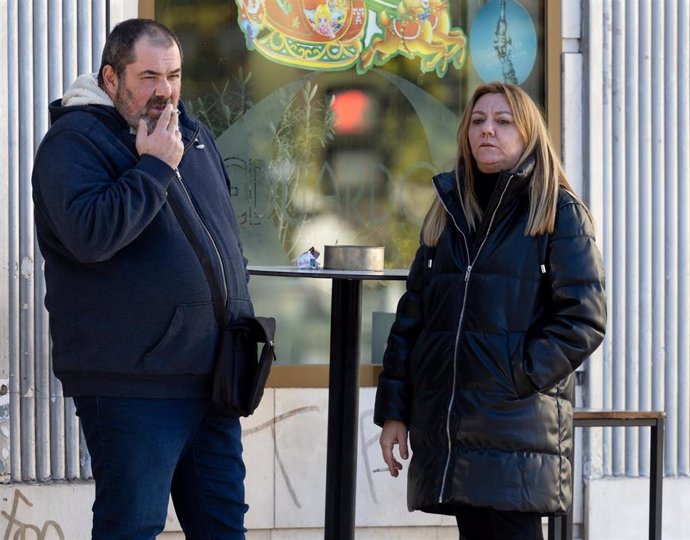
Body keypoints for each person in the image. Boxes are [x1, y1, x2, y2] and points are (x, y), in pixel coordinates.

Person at [32, 19, 254, 539]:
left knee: (223, 527)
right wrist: (153, 167)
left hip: (212, 375)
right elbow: (91, 235)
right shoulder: (74, 143)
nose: (165, 91)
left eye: (173, 75)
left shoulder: (190, 134)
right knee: (131, 527)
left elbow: (221, 240)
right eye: (149, 76)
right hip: (134, 381)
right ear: (111, 78)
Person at [374, 82, 607, 540]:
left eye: (503, 122)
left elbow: (584, 319)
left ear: (529, 135)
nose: (488, 130)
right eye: (478, 121)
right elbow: (411, 321)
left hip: (516, 433)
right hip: (453, 432)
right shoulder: (448, 214)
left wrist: (513, 374)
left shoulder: (557, 212)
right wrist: (394, 413)